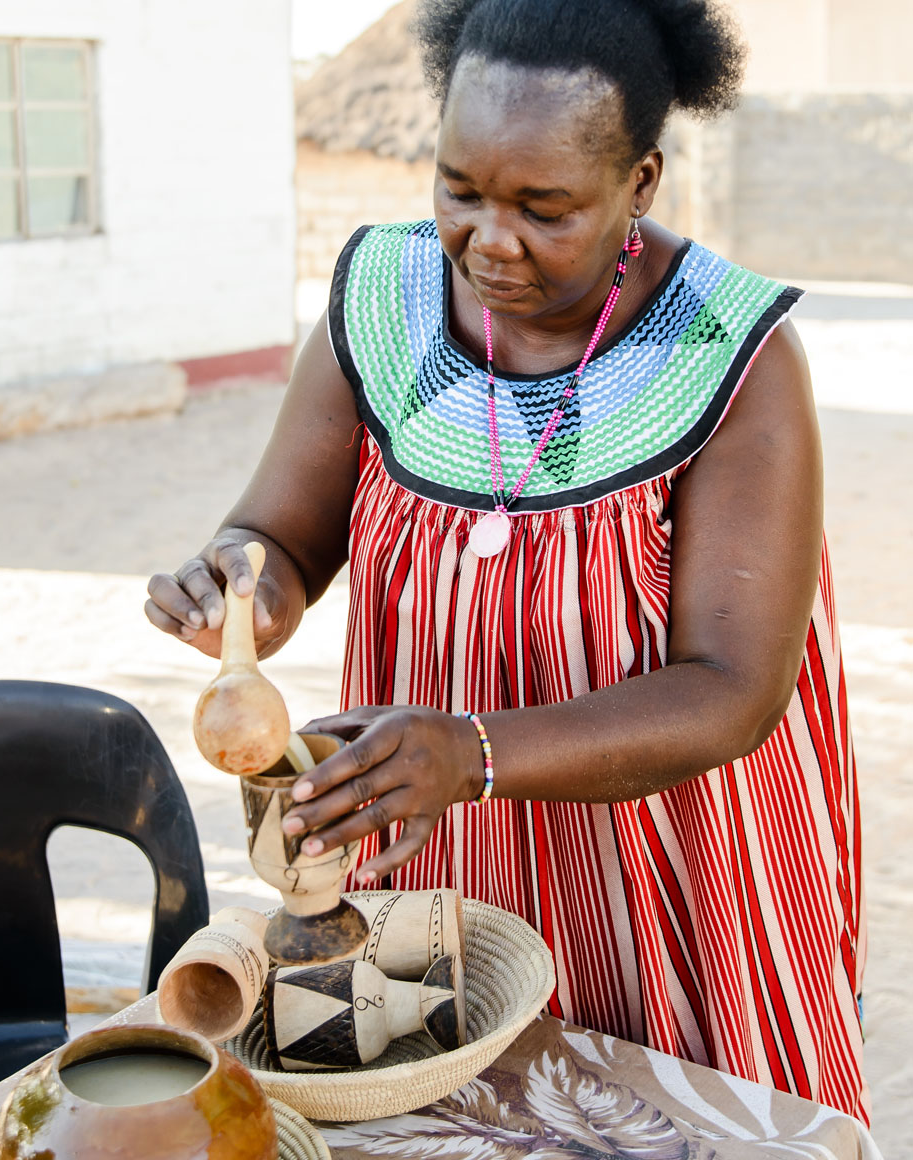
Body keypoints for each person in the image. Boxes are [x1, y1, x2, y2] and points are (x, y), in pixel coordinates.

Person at [146, 0, 866, 1123]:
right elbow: (280, 539)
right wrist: (234, 588)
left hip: (672, 875)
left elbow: (734, 688)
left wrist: (472, 750)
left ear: (639, 182)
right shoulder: (380, 300)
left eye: (546, 208)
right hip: (443, 853)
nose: (490, 239)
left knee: (662, 1124)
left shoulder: (729, 354)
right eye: (459, 189)